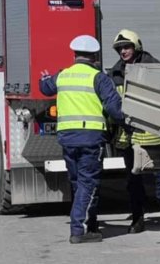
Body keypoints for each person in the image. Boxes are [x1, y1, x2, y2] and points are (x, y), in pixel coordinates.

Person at [40, 35, 124, 244]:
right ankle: (79, 229)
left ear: (75, 55)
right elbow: (115, 108)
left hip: (67, 138)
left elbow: (45, 88)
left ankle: (90, 223)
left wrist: (44, 78)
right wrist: (127, 119)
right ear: (95, 56)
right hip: (91, 139)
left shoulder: (63, 76)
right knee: (89, 183)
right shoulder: (99, 78)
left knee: (78, 183)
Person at [109, 30, 160, 234]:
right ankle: (138, 218)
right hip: (127, 136)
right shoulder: (115, 72)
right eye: (120, 49)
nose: (123, 52)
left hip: (152, 134)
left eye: (126, 47)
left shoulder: (153, 67)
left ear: (136, 47)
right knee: (132, 179)